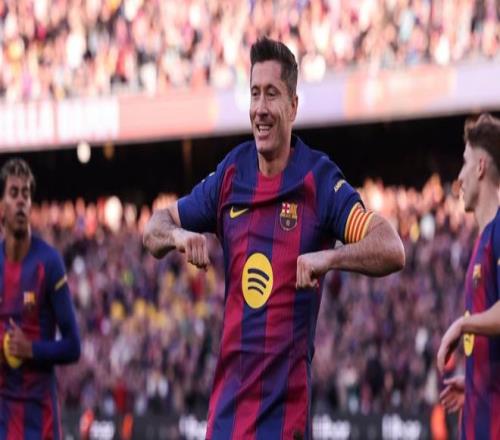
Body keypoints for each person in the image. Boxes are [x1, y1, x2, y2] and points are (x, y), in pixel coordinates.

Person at [143, 37, 405, 440]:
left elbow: (391, 247)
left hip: (285, 422)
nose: (261, 108)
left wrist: (330, 258)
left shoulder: (318, 180)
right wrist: (178, 236)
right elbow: (153, 228)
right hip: (226, 419)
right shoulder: (231, 174)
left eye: (272, 94)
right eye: (254, 94)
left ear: (293, 107)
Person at [0, 158, 80, 439]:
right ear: (1, 207)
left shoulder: (49, 262)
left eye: (26, 193)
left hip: (40, 422)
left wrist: (31, 349)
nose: (21, 200)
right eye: (13, 193)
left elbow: (73, 346)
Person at [437, 113, 500, 439]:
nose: (459, 176)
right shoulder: (482, 240)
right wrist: (475, 381)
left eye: (465, 163)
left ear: (480, 167)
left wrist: (462, 325)